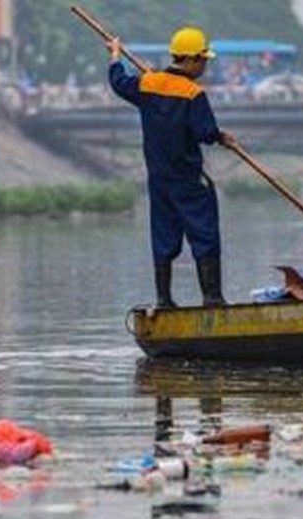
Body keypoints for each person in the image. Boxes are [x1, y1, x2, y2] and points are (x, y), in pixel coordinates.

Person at [107, 27, 237, 308]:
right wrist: (220, 137)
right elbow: (204, 131)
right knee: (204, 233)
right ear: (190, 60)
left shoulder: (147, 84)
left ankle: (164, 301)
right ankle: (212, 298)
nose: (205, 65)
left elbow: (118, 82)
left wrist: (115, 56)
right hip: (187, 179)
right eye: (203, 60)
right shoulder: (193, 93)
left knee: (163, 235)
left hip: (159, 180)